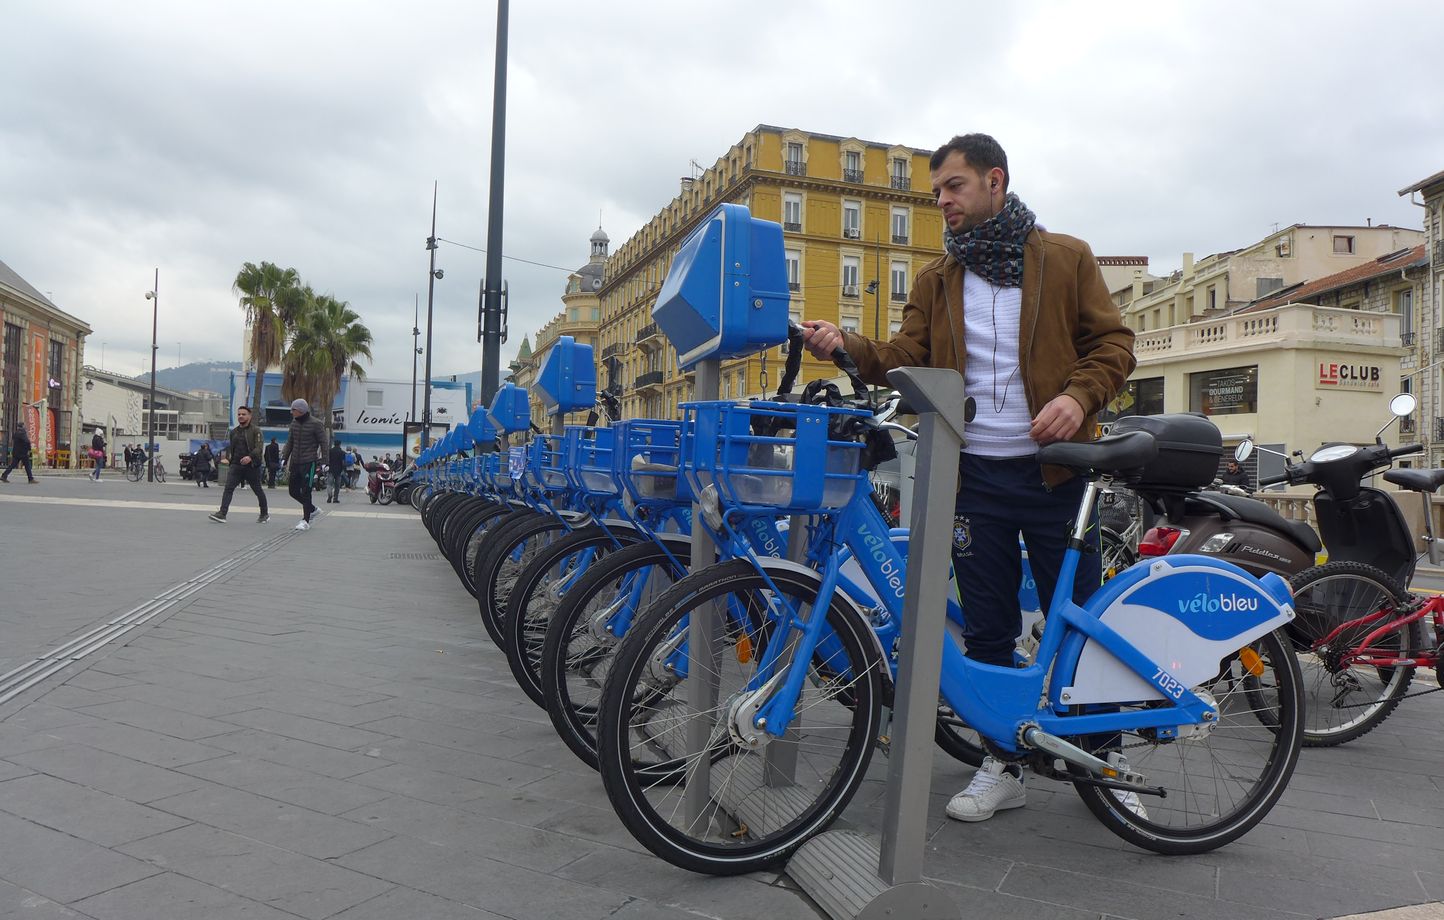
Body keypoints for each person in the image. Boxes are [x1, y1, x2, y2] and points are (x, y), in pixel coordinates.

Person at [800, 133, 1136, 824]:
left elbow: (1114, 345)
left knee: (1083, 623)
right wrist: (847, 348)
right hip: (971, 473)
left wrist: (1077, 397)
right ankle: (1003, 762)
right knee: (986, 627)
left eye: (953, 187)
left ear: (994, 180)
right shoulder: (936, 280)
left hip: (1057, 475)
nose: (943, 202)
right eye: (937, 192)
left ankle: (1105, 758)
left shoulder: (1065, 258)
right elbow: (903, 356)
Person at [209, 406, 269, 524]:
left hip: (252, 466)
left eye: (243, 414)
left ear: (249, 416)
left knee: (257, 490)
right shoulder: (234, 432)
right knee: (228, 489)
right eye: (239, 414)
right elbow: (232, 448)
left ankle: (264, 514)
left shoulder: (256, 430)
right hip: (236, 466)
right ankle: (222, 514)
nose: (241, 416)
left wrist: (250, 457)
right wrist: (228, 459)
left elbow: (259, 448)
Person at [282, 398, 325, 530]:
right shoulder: (294, 423)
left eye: (293, 410)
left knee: (306, 491)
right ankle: (312, 509)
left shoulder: (316, 424)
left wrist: (325, 462)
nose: (291, 412)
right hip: (295, 462)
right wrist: (285, 457)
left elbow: (324, 443)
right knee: (293, 491)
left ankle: (305, 520)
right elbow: (290, 442)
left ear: (301, 410)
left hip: (309, 462)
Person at [326, 439, 346, 504]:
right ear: (340, 444)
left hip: (331, 470)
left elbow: (327, 460)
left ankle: (329, 495)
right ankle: (335, 499)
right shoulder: (342, 452)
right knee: (337, 486)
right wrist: (343, 469)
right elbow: (343, 462)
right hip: (339, 471)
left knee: (329, 484)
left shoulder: (330, 451)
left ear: (334, 444)